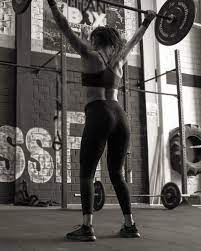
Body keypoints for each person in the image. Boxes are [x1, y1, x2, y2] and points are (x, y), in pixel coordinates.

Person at [47, 0, 156, 242]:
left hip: (99, 112)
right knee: (116, 173)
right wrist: (147, 21)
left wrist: (53, 5)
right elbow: (134, 41)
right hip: (120, 115)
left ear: (97, 40)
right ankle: (130, 225)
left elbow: (64, 27)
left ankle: (87, 227)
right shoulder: (119, 61)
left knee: (86, 172)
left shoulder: (89, 54)